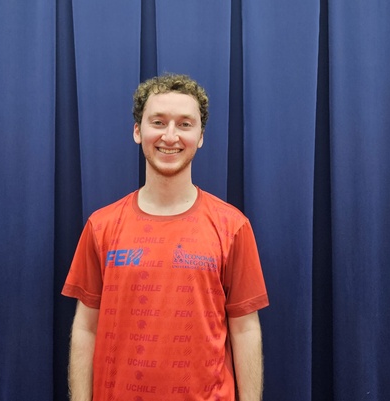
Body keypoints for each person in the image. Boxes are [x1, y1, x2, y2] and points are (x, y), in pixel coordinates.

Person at [62, 73, 269, 401]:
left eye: (185, 124)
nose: (170, 136)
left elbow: (245, 329)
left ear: (200, 137)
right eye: (158, 122)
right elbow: (86, 328)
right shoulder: (101, 226)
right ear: (137, 131)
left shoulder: (233, 227)